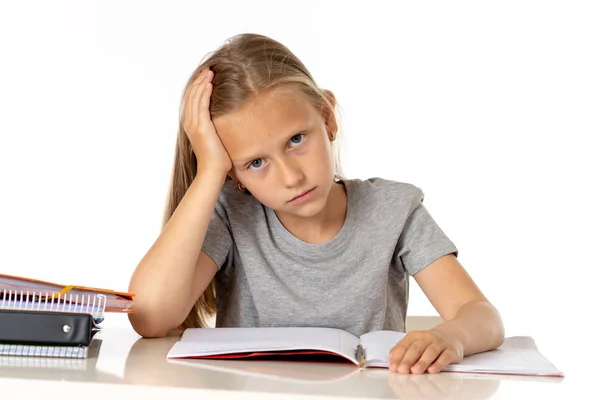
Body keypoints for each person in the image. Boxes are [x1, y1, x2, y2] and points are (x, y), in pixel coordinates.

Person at [128, 33, 504, 375]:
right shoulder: (230, 215)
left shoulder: (395, 209)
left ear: (327, 118)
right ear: (233, 174)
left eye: (296, 140)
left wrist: (451, 337)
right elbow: (150, 315)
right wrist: (209, 170)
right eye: (255, 163)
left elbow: (482, 316)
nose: (291, 177)